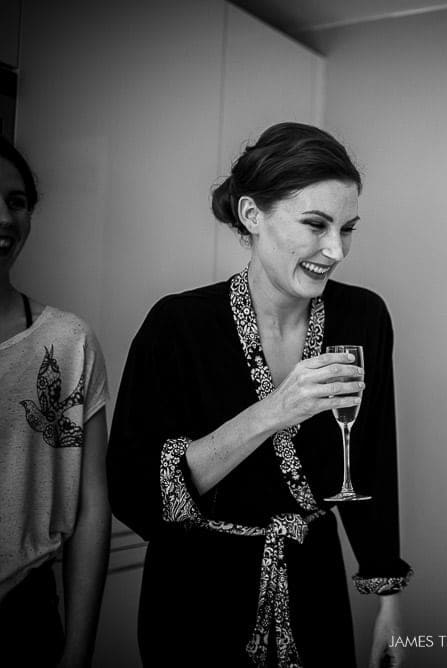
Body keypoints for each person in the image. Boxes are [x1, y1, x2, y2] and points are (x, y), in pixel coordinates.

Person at [107, 123, 412, 668]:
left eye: (347, 228)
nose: (335, 249)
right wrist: (274, 410)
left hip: (312, 582)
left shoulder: (362, 316)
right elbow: (136, 496)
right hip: (196, 597)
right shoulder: (177, 327)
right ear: (252, 215)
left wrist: (388, 601)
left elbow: (370, 461)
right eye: (316, 225)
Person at [0, 136, 111, 666]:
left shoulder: (67, 343)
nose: (4, 217)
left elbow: (91, 508)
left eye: (17, 202)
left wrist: (77, 651)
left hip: (24, 618)